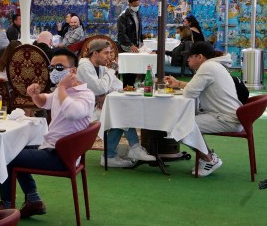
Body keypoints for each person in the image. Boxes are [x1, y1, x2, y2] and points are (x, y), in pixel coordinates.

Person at [0, 48, 94, 217]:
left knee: (6, 154)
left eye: (59, 68)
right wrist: (35, 95)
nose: (54, 72)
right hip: (52, 148)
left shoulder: (86, 95)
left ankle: (6, 204)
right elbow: (44, 102)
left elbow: (72, 112)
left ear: (73, 71)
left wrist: (62, 88)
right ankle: (33, 200)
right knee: (14, 149)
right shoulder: (60, 92)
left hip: (62, 156)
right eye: (51, 68)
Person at [164, 41, 242, 177]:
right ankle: (208, 157)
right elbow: (196, 88)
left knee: (180, 125)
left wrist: (181, 85)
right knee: (184, 123)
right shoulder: (214, 65)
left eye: (190, 56)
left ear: (199, 57)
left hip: (226, 119)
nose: (187, 59)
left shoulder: (207, 67)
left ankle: (209, 159)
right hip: (230, 116)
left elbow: (190, 93)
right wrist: (178, 83)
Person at [76, 39, 155, 167]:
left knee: (121, 111)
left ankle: (116, 152)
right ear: (95, 53)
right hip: (84, 110)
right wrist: (111, 72)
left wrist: (103, 92)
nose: (110, 56)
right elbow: (100, 88)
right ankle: (120, 152)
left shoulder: (101, 67)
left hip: (97, 105)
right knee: (120, 114)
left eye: (110, 53)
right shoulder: (84, 67)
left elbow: (116, 86)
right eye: (106, 53)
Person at [117, 0, 144, 87]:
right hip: (126, 46)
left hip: (136, 45)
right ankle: (125, 86)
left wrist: (141, 42)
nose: (137, 6)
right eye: (135, 5)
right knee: (127, 68)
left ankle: (131, 86)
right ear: (130, 4)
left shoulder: (138, 13)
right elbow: (122, 33)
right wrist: (130, 45)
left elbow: (139, 29)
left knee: (134, 67)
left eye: (138, 4)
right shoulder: (123, 16)